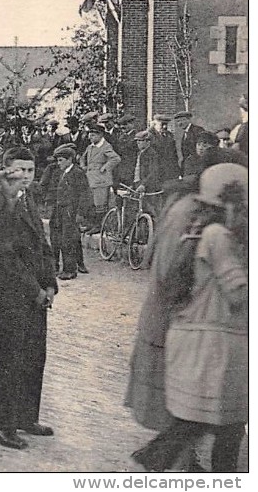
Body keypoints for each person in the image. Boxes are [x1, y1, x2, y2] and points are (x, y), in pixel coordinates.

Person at [132, 164, 248, 473]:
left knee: (217, 425)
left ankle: (158, 462)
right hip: (211, 344)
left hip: (208, 342)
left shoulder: (201, 229)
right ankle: (156, 463)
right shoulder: (219, 236)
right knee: (213, 425)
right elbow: (238, 292)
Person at [125, 189, 218, 470]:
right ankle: (173, 460)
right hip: (180, 323)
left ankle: (173, 457)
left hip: (175, 320)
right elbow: (172, 274)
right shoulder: (191, 215)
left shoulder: (184, 207)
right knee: (189, 399)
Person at [0, 147, 58, 451]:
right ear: (5, 169)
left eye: (30, 170)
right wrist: (35, 289)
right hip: (12, 292)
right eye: (19, 170)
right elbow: (5, 255)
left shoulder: (29, 198)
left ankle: (26, 416)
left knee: (34, 354)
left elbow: (42, 244)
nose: (26, 176)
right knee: (12, 356)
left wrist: (51, 284)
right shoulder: (0, 201)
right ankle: (0, 423)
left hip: (37, 293)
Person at [51, 146, 92, 280]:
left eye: (61, 160)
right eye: (57, 161)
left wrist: (80, 213)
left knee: (67, 239)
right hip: (60, 209)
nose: (59, 163)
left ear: (69, 160)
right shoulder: (62, 172)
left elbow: (85, 194)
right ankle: (70, 265)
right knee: (58, 237)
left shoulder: (77, 173)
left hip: (71, 210)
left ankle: (70, 270)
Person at [81, 124, 121, 233]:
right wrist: (83, 166)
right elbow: (82, 158)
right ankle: (91, 225)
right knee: (91, 203)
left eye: (93, 135)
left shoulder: (106, 146)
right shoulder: (90, 147)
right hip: (90, 179)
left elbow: (116, 158)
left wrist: (105, 167)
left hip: (101, 180)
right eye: (90, 135)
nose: (90, 137)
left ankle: (99, 226)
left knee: (100, 204)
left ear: (100, 135)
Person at [171, 111, 204, 176]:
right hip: (189, 166)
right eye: (177, 121)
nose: (179, 123)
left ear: (188, 120)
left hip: (196, 166)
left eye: (182, 120)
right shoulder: (185, 133)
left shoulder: (197, 130)